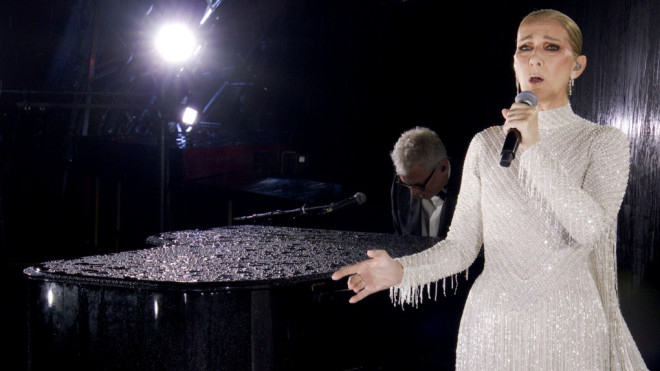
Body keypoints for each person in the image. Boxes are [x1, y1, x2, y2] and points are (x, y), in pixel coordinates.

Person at [332, 9, 648, 370]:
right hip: (491, 327)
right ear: (514, 62)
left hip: (570, 329)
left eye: (551, 46)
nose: (535, 57)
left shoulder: (602, 142)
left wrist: (534, 148)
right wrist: (402, 271)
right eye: (524, 47)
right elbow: (462, 247)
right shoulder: (485, 144)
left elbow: (590, 228)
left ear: (577, 66)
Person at [390, 126, 455, 238]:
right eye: (406, 184)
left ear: (443, 168)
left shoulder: (472, 188)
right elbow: (400, 241)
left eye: (419, 185)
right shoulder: (400, 188)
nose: (412, 192)